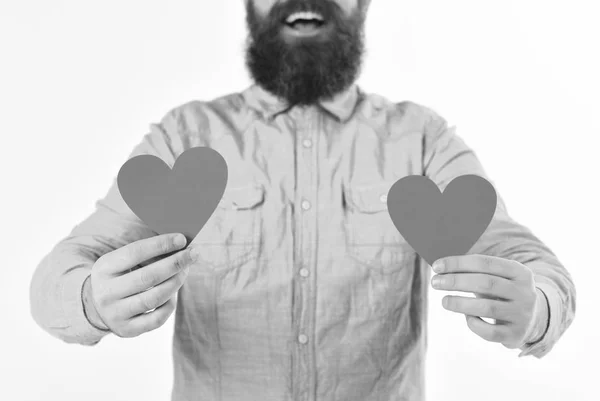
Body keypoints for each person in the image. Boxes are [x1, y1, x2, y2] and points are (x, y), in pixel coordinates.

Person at [29, 0, 576, 400]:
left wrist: (537, 307)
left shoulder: (423, 139)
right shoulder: (183, 136)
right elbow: (60, 275)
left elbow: (532, 264)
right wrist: (89, 300)